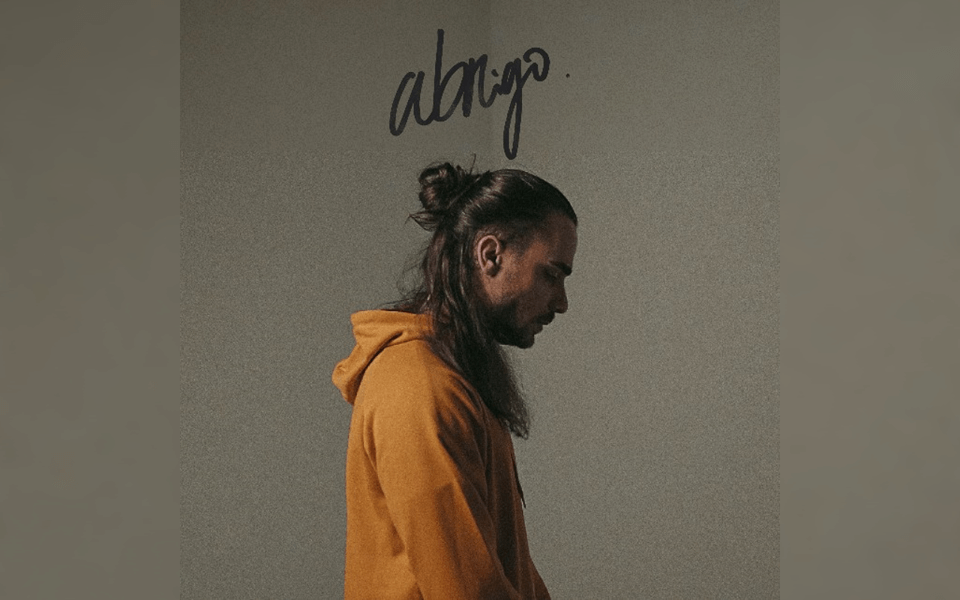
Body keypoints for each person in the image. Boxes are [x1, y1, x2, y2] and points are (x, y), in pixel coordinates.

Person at [332, 162, 578, 599]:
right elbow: (468, 590)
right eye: (551, 274)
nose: (561, 302)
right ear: (490, 255)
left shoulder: (452, 376)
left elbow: (506, 568)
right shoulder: (420, 389)